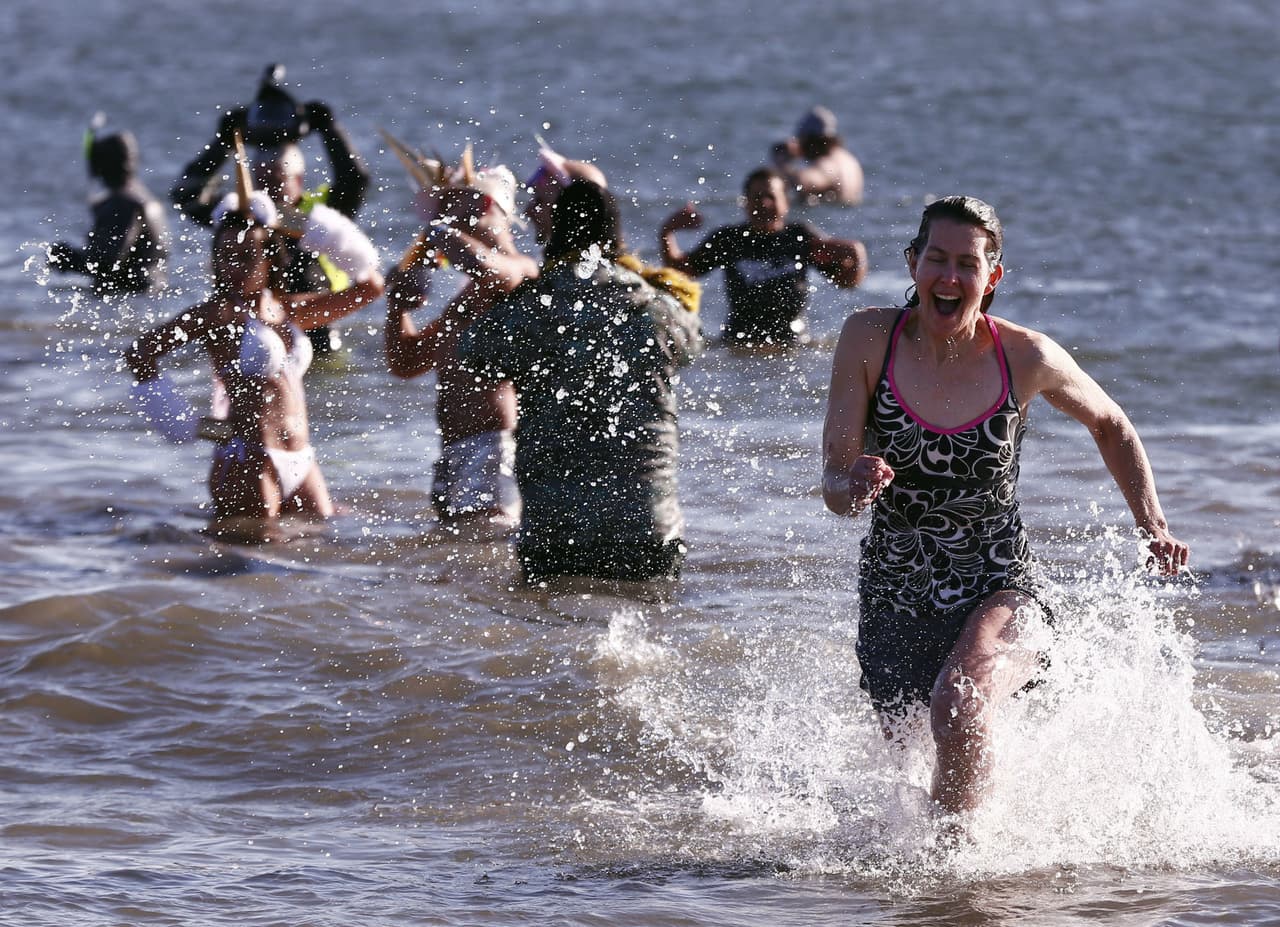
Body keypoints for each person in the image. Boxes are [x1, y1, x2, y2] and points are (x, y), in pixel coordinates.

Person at [821, 195, 1189, 815]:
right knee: (912, 766)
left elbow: (1112, 425)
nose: (949, 276)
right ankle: (934, 886)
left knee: (960, 704)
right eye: (935, 258)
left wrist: (1152, 526)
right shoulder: (868, 339)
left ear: (992, 277)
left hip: (999, 584)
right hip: (894, 589)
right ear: (912, 263)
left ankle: (961, 875)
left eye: (967, 264)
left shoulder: (1026, 357)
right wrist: (852, 482)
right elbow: (833, 482)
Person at [457, 179, 704, 583]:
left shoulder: (531, 307)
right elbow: (692, 345)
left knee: (547, 636)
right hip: (644, 524)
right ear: (615, 235)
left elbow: (474, 353)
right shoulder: (659, 307)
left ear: (556, 231)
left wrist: (497, 289)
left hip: (555, 529)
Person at [124, 192, 383, 539]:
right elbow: (140, 353)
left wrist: (298, 223)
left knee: (320, 562)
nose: (233, 267)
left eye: (246, 257)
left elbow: (371, 287)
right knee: (247, 572)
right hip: (250, 460)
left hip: (302, 460)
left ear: (270, 259)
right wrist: (190, 426)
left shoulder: (288, 310)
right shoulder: (217, 314)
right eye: (225, 257)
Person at [169, 64, 371, 354]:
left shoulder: (320, 215)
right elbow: (185, 195)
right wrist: (222, 144)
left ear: (298, 180)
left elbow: (355, 180)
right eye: (260, 179)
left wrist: (330, 129)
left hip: (316, 340)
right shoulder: (244, 216)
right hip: (254, 336)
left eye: (276, 179)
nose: (267, 188)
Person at [384, 162, 539, 531]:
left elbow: (484, 265)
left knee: (484, 562)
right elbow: (406, 362)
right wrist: (397, 306)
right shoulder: (465, 299)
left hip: (494, 448)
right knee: (456, 570)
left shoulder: (521, 269)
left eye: (450, 208)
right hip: (452, 452)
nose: (442, 217)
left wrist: (438, 235)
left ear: (486, 207)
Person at [660, 166, 866, 349]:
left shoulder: (800, 237)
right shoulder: (730, 239)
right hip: (738, 342)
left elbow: (846, 282)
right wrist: (667, 232)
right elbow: (681, 272)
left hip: (793, 344)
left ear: (785, 203)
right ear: (745, 203)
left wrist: (857, 256)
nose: (764, 204)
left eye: (771, 197)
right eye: (757, 198)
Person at [49, 129, 170, 295]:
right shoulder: (147, 200)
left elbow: (107, 263)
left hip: (124, 304)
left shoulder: (123, 204)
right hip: (150, 299)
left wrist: (65, 258)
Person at [770, 105, 864, 206]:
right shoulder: (849, 160)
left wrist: (782, 162)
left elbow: (803, 183)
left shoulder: (828, 164)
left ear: (811, 141)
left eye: (801, 141)